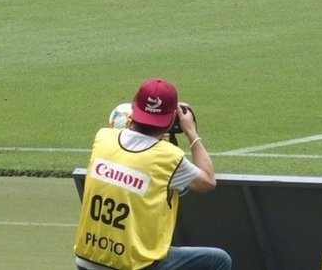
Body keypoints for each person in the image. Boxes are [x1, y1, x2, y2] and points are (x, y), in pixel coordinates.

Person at [74, 78, 232, 270]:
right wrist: (190, 131)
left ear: (134, 108)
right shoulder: (168, 157)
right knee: (219, 260)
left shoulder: (103, 138)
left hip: (86, 260)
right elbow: (208, 180)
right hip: (132, 266)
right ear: (171, 118)